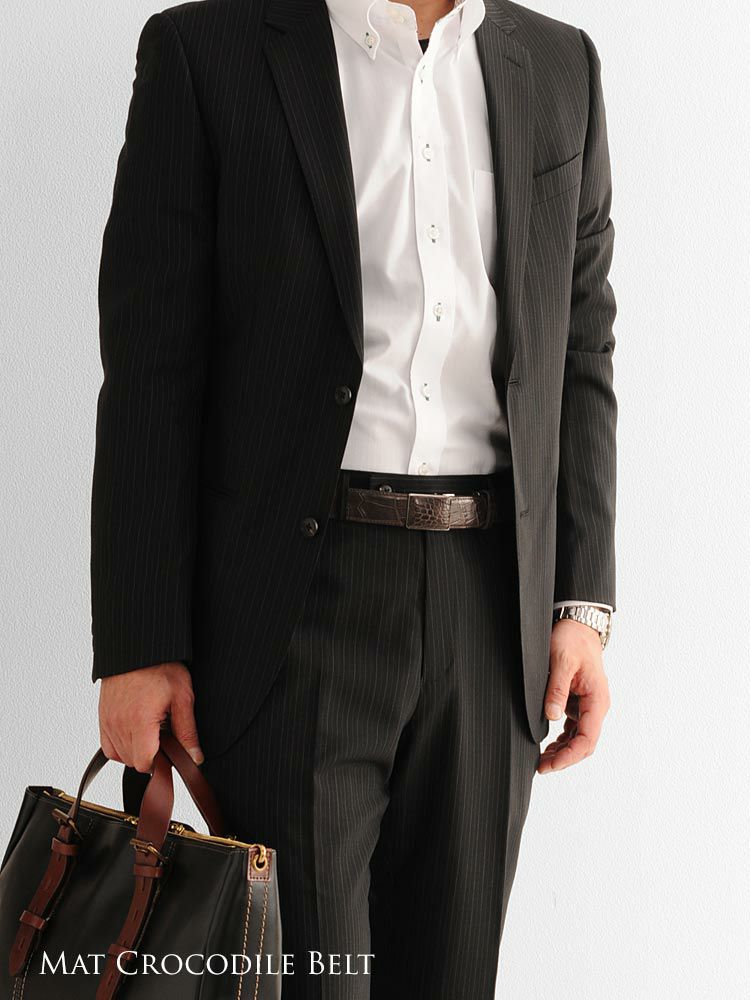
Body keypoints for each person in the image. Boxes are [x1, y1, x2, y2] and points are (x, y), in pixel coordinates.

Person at [92, 0, 617, 996]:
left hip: (491, 611)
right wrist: (139, 638)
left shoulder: (561, 68)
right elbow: (152, 363)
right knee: (309, 978)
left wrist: (582, 604)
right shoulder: (208, 54)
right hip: (294, 609)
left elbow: (581, 345)